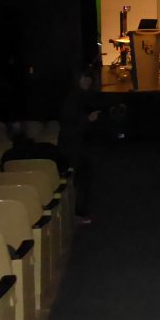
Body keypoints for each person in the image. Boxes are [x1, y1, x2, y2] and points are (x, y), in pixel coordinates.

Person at [57, 71, 101, 223]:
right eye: (84, 78)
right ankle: (78, 214)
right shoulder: (72, 99)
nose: (87, 81)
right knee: (79, 181)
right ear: (78, 79)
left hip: (82, 145)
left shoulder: (83, 96)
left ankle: (81, 212)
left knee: (84, 179)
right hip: (73, 146)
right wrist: (87, 120)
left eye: (89, 78)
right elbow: (69, 126)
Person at [0, 122, 70, 175]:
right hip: (49, 192)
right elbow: (64, 167)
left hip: (18, 193)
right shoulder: (49, 148)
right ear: (28, 132)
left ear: (8, 136)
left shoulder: (7, 157)